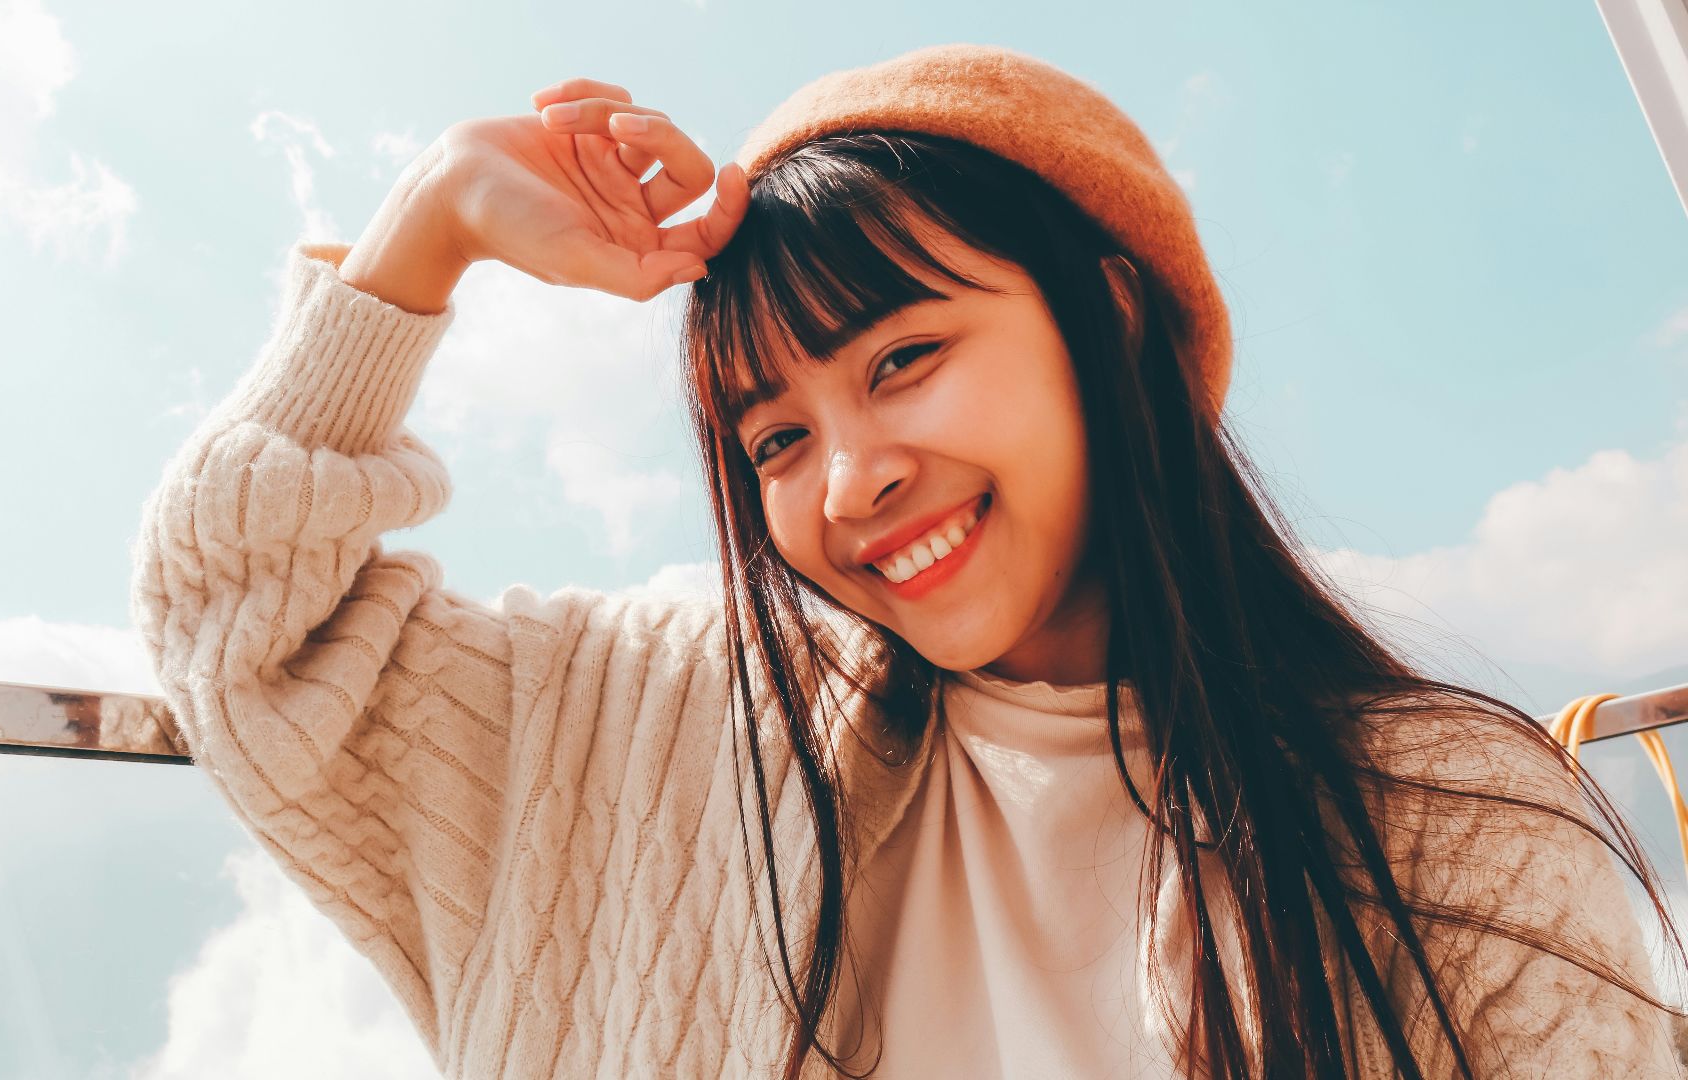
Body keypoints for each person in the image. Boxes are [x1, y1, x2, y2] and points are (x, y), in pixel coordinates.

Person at [129, 43, 1685, 1079]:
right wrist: (435, 221)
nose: (853, 479)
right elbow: (244, 636)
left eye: (904, 358)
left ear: (1110, 315)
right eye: (776, 440)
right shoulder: (673, 721)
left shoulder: (1449, 823)